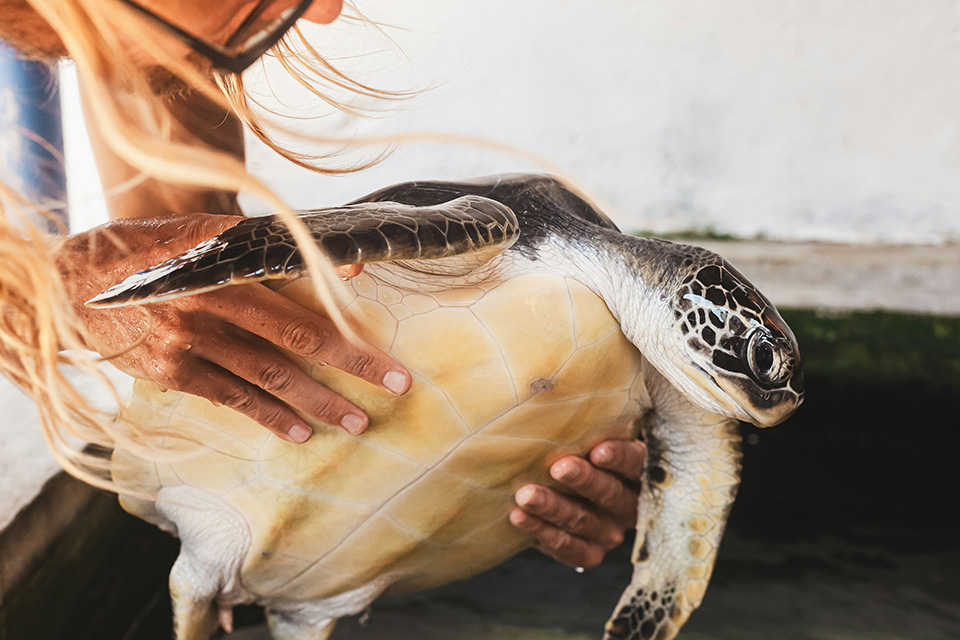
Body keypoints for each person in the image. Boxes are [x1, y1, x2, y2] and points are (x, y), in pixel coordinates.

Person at [0, 0, 646, 571]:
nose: (328, 11)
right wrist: (52, 293)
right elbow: (98, 293)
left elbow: (196, 302)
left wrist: (494, 457)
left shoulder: (182, 38)